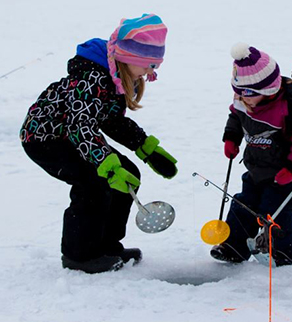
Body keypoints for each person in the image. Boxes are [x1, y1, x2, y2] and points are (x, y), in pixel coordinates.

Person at [20, 14, 178, 274]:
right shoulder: (92, 78)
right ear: (130, 59)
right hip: (45, 138)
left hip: (75, 135)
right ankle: (79, 255)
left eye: (155, 66)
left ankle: (105, 244)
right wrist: (106, 163)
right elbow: (79, 126)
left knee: (128, 175)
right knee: (94, 184)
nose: (152, 72)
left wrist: (146, 149)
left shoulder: (115, 77)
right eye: (149, 64)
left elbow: (111, 122)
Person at [210, 43, 292, 266]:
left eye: (248, 94)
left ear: (267, 90)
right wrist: (231, 138)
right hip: (257, 168)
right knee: (242, 205)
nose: (242, 99)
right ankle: (233, 247)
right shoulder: (243, 101)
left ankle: (282, 252)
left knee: (275, 211)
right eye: (238, 93)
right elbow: (235, 117)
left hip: (286, 173)